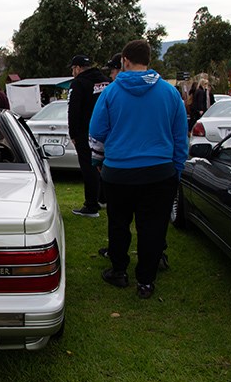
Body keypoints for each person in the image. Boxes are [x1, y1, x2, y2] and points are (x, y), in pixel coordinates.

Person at [89, 40, 188, 299]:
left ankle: (119, 270)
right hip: (159, 172)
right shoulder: (169, 93)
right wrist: (176, 169)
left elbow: (97, 132)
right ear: (148, 59)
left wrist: (98, 162)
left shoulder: (110, 93)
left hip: (118, 172)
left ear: (124, 60)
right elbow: (180, 138)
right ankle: (146, 280)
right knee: (153, 227)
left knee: (119, 223)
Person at [68, 55, 110, 218]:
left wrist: (73, 133)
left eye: (73, 69)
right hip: (106, 131)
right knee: (104, 164)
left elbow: (74, 110)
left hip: (85, 132)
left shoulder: (78, 83)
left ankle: (91, 205)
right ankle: (103, 198)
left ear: (78, 68)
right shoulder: (106, 82)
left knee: (89, 167)